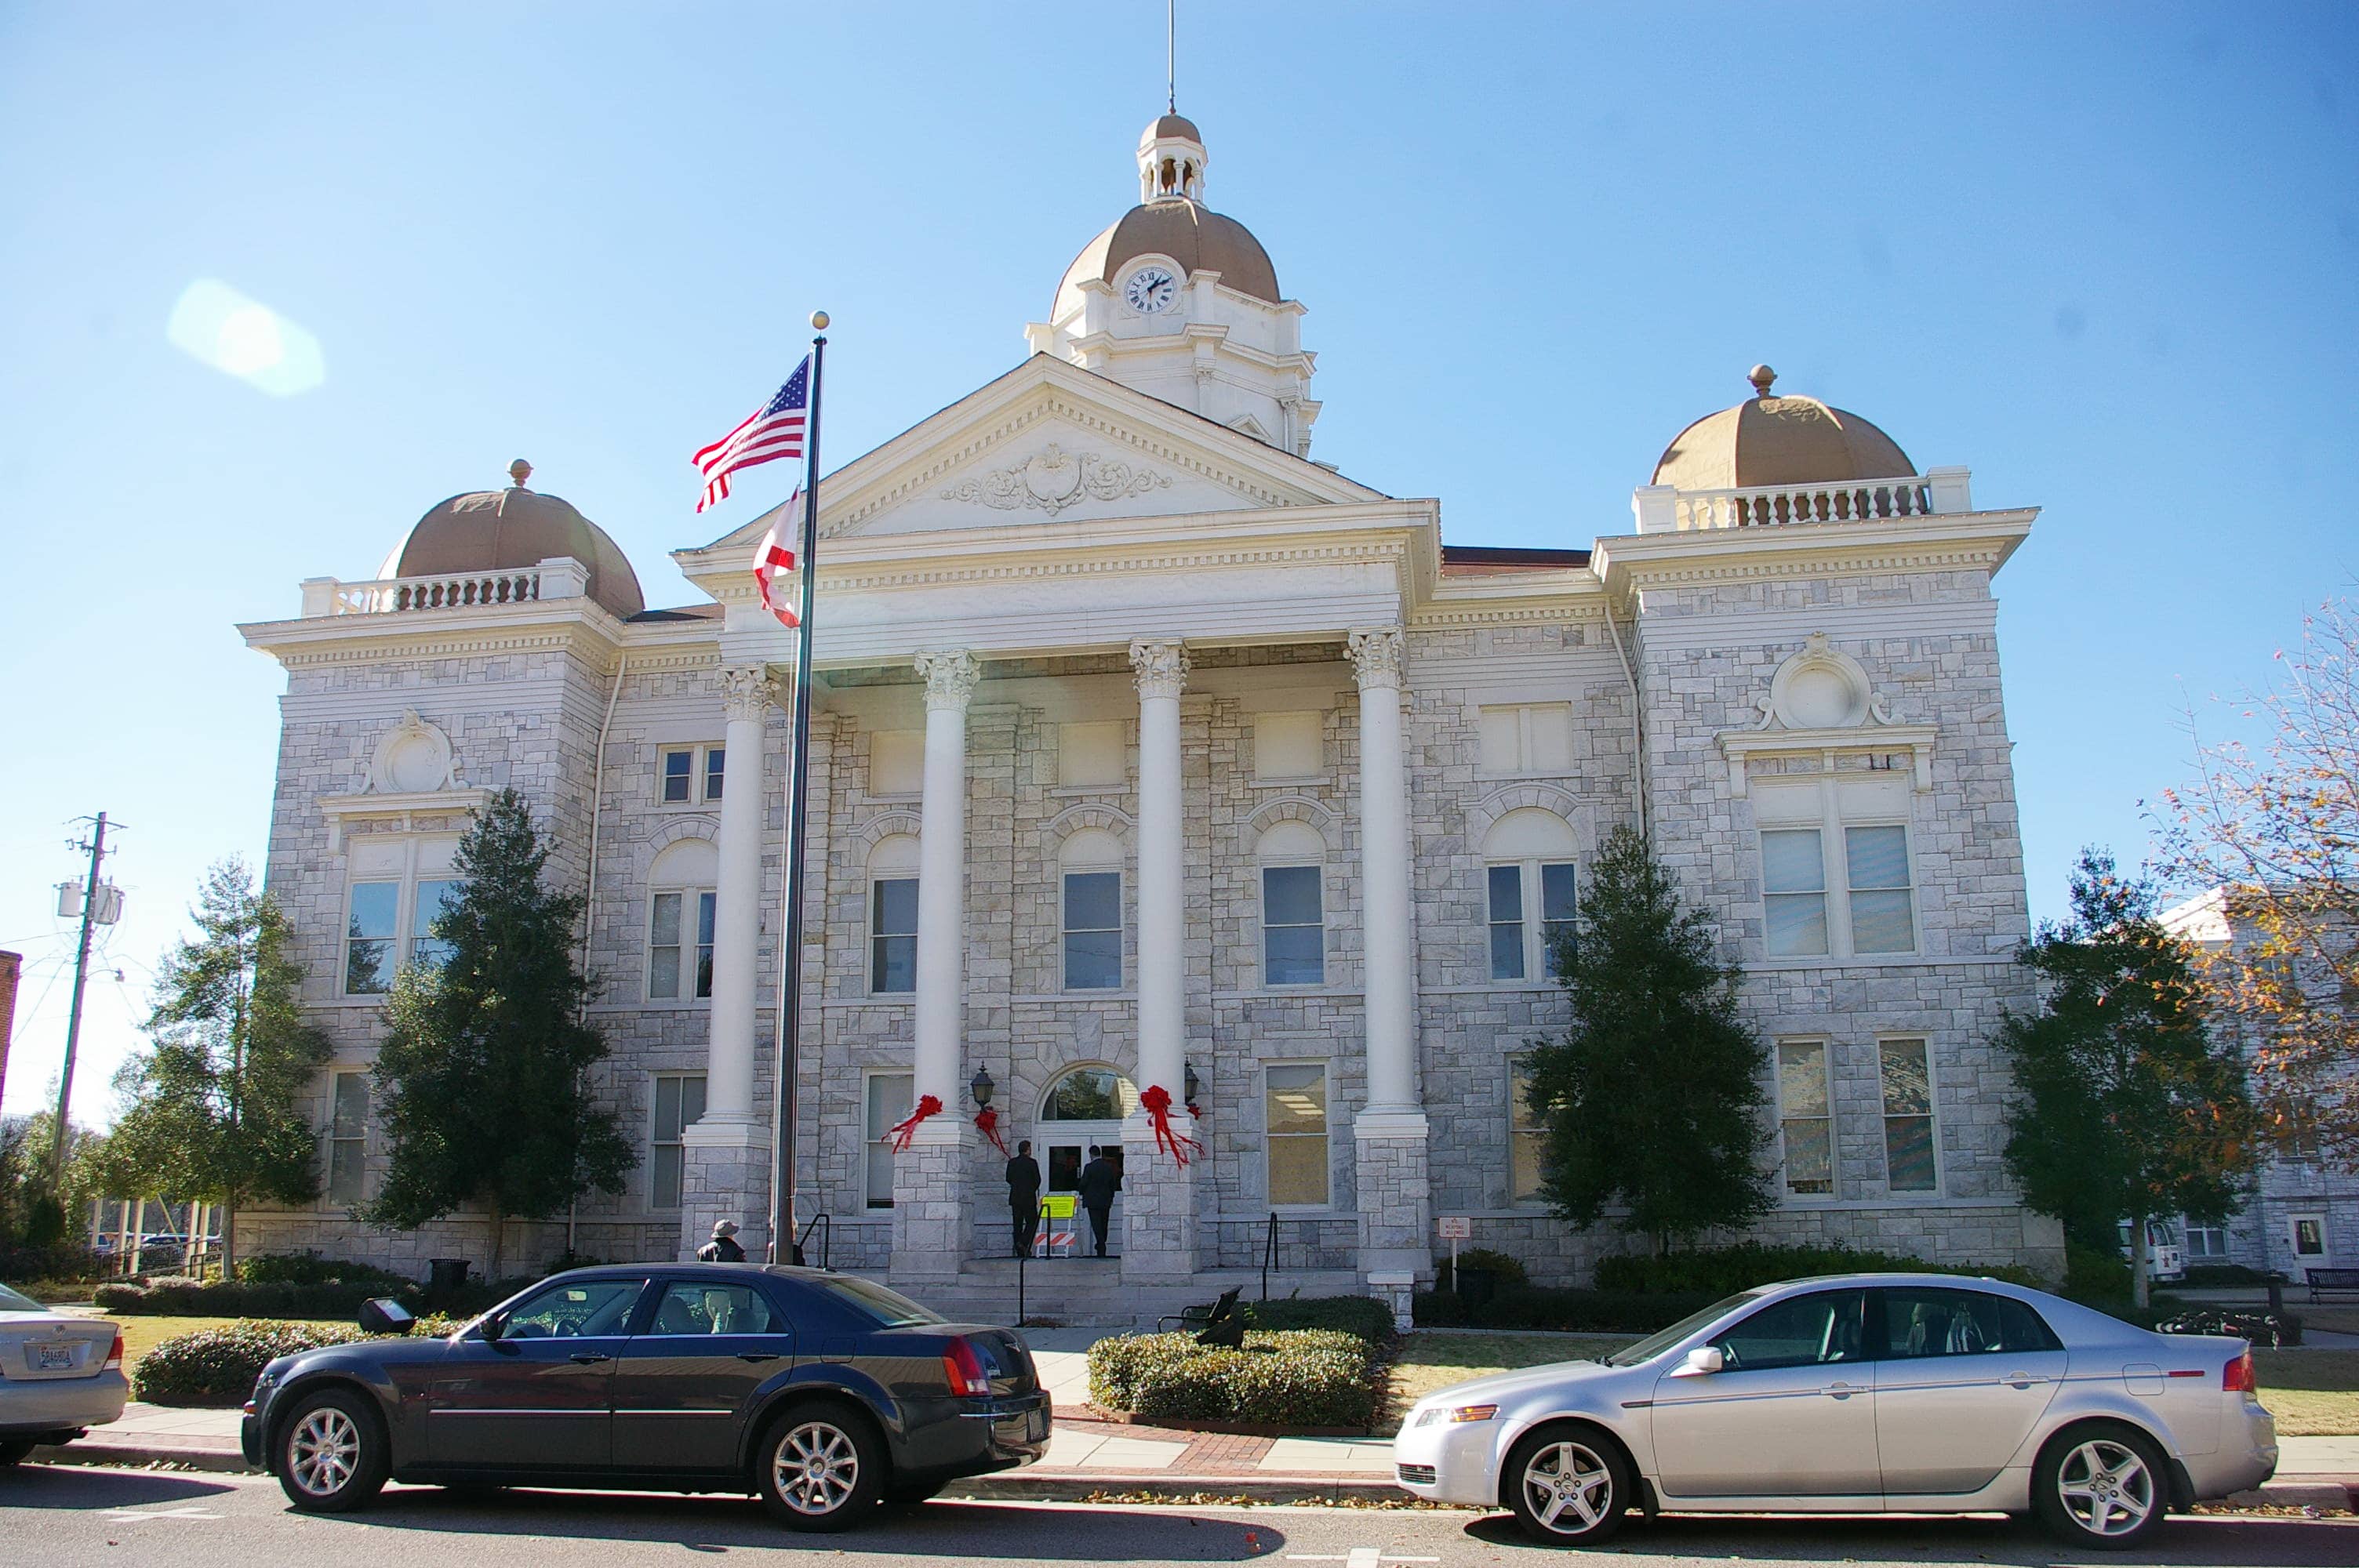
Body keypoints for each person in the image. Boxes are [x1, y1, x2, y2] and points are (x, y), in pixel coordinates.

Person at [1077, 1144, 1119, 1258]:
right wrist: (1111, 1197)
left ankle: (1101, 1245)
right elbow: (1112, 1184)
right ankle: (1102, 1243)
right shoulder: (1108, 1167)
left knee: (1096, 1225)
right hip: (1105, 1200)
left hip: (1093, 1201)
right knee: (1104, 1223)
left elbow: (1084, 1183)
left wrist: (1080, 1191)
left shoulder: (1089, 1168)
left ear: (1091, 1155)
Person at [1005, 1139, 1042, 1258]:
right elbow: (1037, 1180)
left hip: (1015, 1198)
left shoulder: (1012, 1163)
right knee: (1032, 1221)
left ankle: (1020, 1249)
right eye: (1030, 1148)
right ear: (1027, 1150)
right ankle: (1023, 1242)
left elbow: (1008, 1178)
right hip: (1028, 1198)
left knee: (1017, 1224)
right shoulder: (1032, 1163)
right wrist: (1031, 1189)